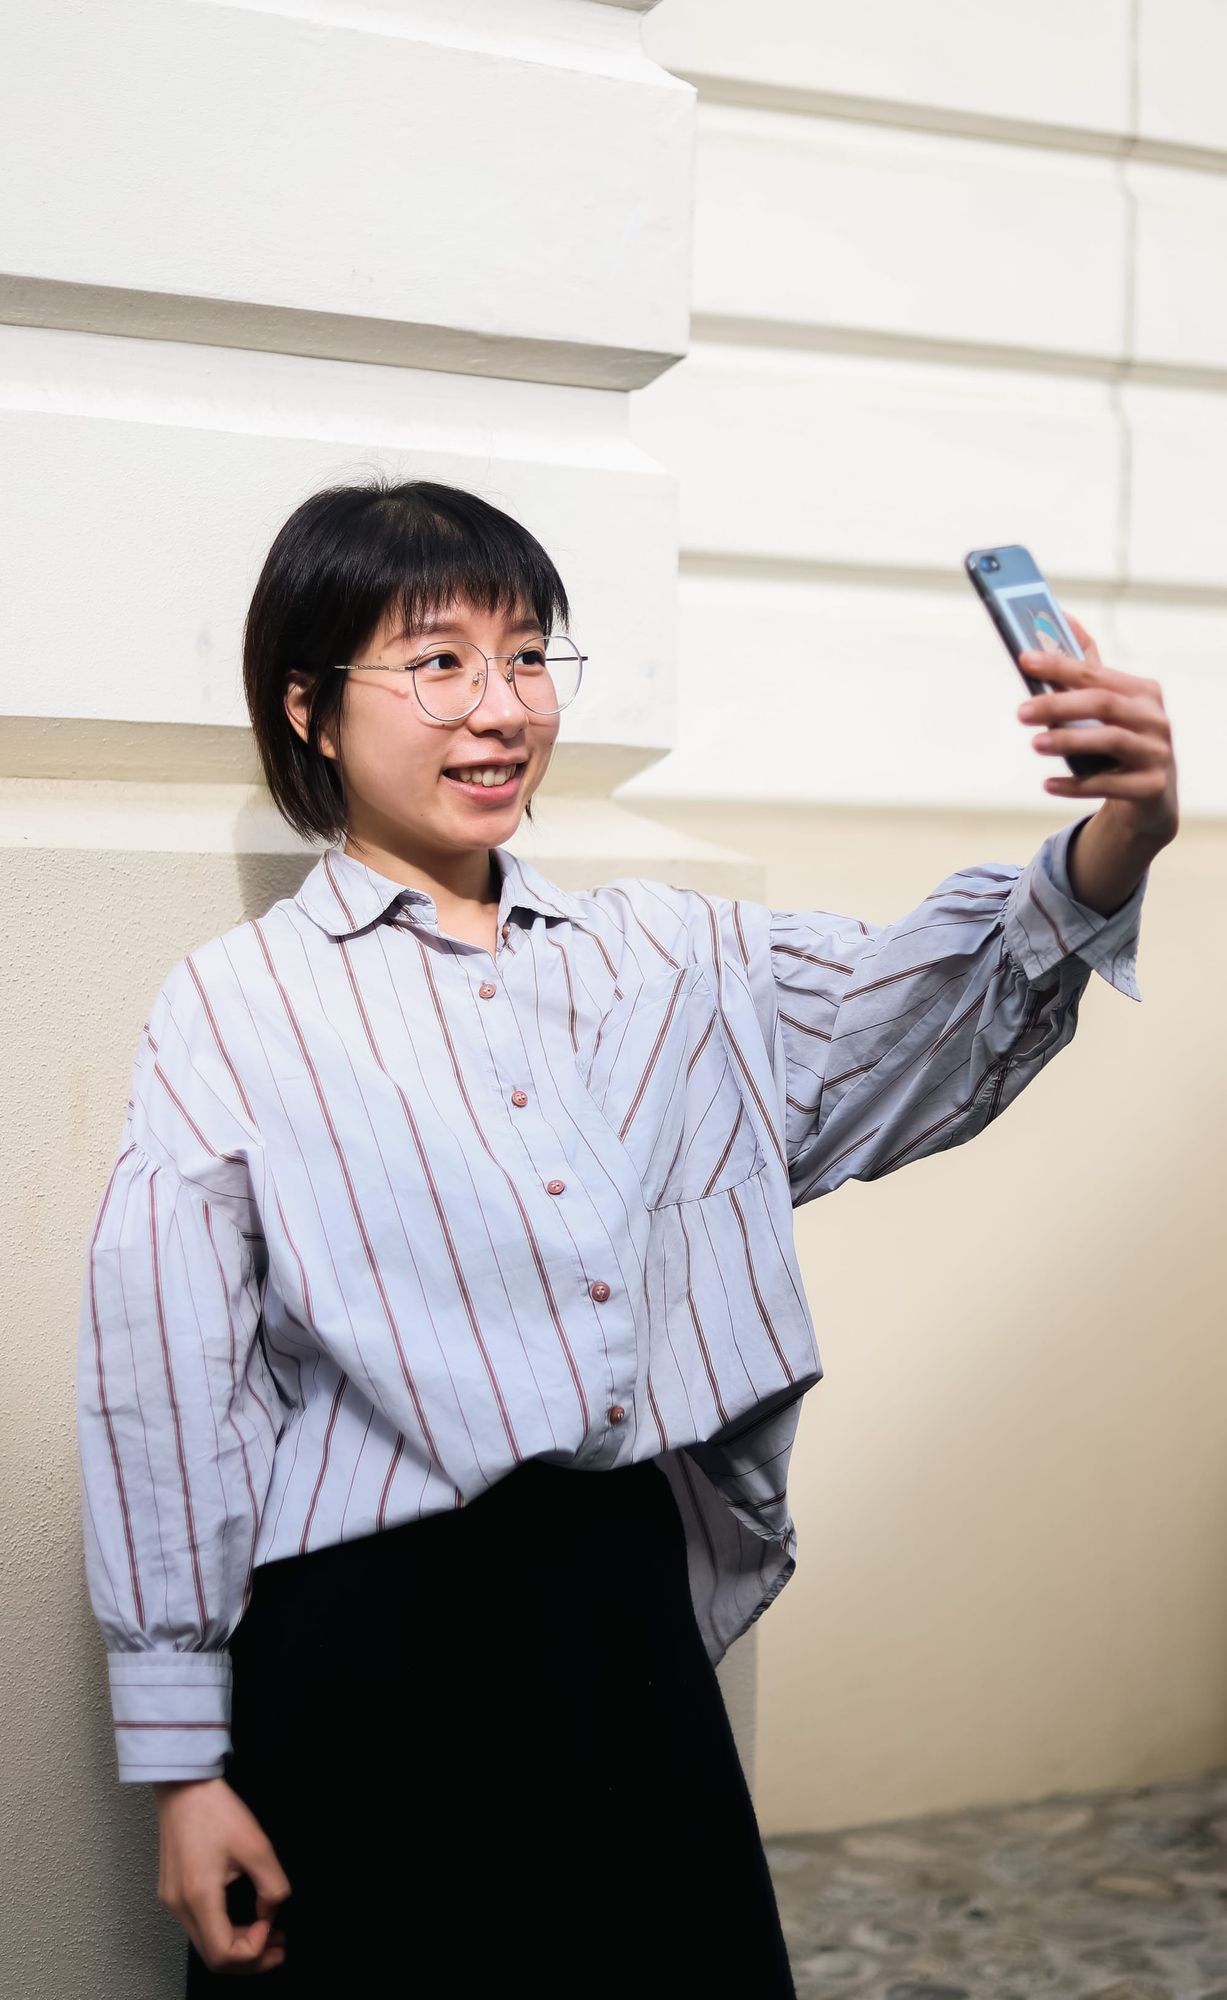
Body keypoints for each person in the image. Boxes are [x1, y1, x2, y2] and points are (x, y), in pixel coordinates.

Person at [76, 479, 1178, 1995]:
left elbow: (921, 1021)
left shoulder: (670, 958)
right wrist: (184, 1771)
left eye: (529, 655)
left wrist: (1127, 833)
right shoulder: (236, 1007)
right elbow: (167, 1381)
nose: (501, 707)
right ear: (312, 711)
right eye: (437, 661)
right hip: (360, 1658)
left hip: (614, 1622)